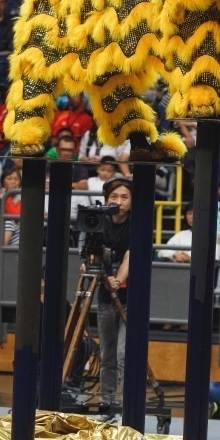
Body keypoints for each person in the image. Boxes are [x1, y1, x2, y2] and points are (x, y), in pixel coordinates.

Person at [84, 178, 132, 421]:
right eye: (114, 197)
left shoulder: (136, 222)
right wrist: (99, 274)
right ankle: (106, 406)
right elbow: (88, 255)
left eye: (124, 197)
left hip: (131, 295)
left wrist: (118, 279)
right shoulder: (98, 221)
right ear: (106, 199)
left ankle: (126, 407)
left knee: (125, 354)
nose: (119, 202)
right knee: (108, 355)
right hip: (104, 295)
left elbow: (129, 257)